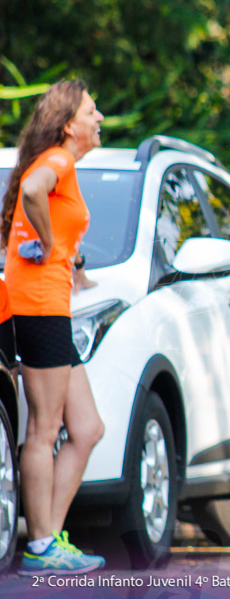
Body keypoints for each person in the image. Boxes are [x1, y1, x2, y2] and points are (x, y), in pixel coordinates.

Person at [1, 80, 106, 575]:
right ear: (69, 124)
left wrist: (71, 258)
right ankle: (41, 546)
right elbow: (31, 191)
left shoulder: (62, 165)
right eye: (91, 110)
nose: (100, 117)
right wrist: (46, 243)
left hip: (50, 305)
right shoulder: (59, 161)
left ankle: (50, 539)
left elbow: (49, 216)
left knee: (86, 428)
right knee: (45, 430)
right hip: (40, 308)